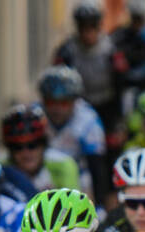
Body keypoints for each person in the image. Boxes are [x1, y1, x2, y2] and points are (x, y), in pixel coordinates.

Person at [51, 0, 124, 133]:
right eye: (83, 28)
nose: (87, 34)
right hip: (78, 107)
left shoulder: (111, 49)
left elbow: (121, 82)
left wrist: (119, 120)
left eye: (92, 28)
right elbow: (57, 78)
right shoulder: (67, 50)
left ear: (99, 27)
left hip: (107, 105)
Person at [37, 65, 108, 200]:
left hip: (78, 175)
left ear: (74, 101)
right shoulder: (35, 115)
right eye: (51, 102)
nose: (57, 109)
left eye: (64, 103)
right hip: (43, 171)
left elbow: (97, 166)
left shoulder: (88, 121)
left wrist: (99, 203)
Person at [0, 103, 82, 201]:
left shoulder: (63, 165)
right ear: (9, 149)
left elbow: (73, 207)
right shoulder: (0, 168)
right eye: (17, 147)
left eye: (33, 144)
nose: (26, 153)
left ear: (44, 143)